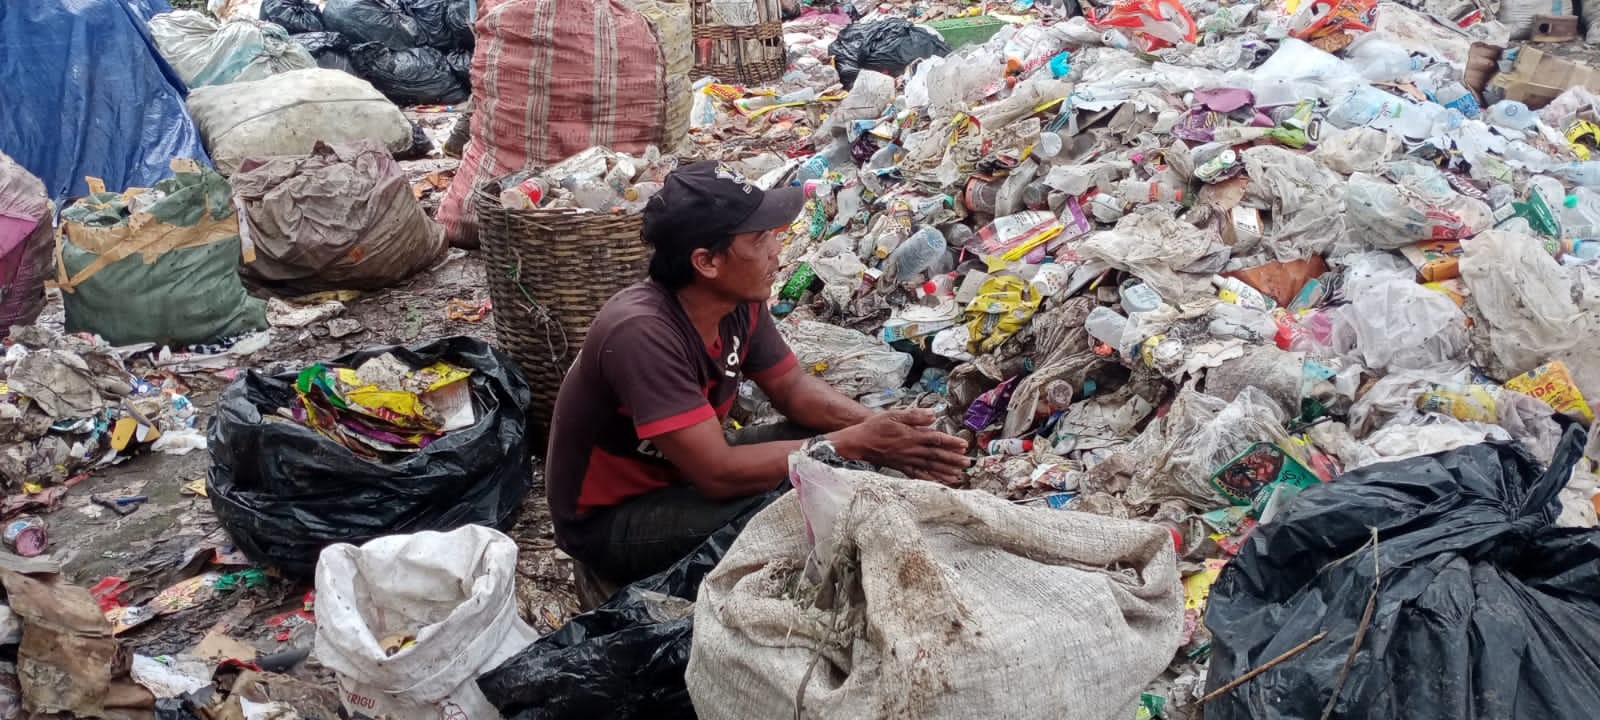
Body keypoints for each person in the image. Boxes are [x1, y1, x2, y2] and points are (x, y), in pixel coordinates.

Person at [545, 160, 970, 590]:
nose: (776, 250)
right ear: (706, 261)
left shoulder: (737, 302)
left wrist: (884, 430)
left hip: (684, 471)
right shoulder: (641, 333)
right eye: (759, 238)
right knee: (803, 497)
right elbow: (718, 471)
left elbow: (792, 389)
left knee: (828, 451)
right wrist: (854, 443)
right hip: (614, 518)